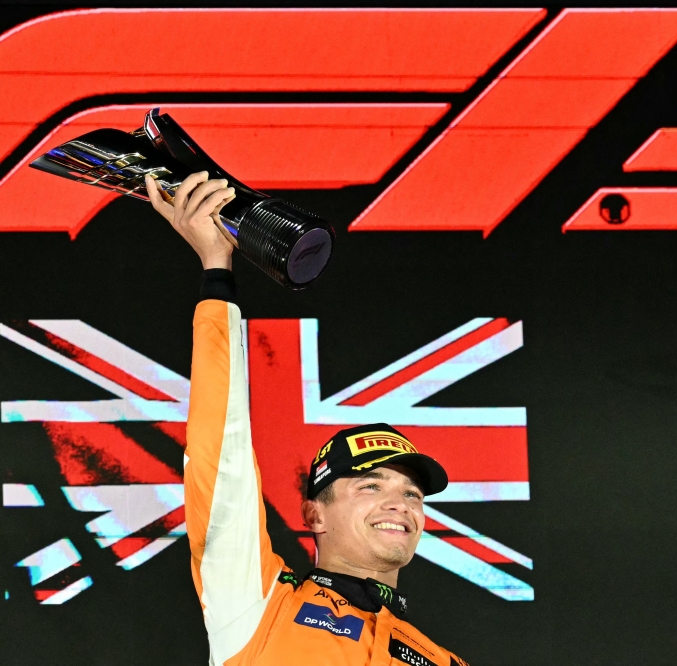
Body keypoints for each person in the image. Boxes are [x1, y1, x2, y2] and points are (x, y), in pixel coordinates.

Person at [146, 171, 470, 666]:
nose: (400, 504)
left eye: (412, 493)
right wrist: (216, 271)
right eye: (370, 486)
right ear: (314, 515)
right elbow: (221, 459)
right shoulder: (257, 606)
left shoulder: (445, 661)